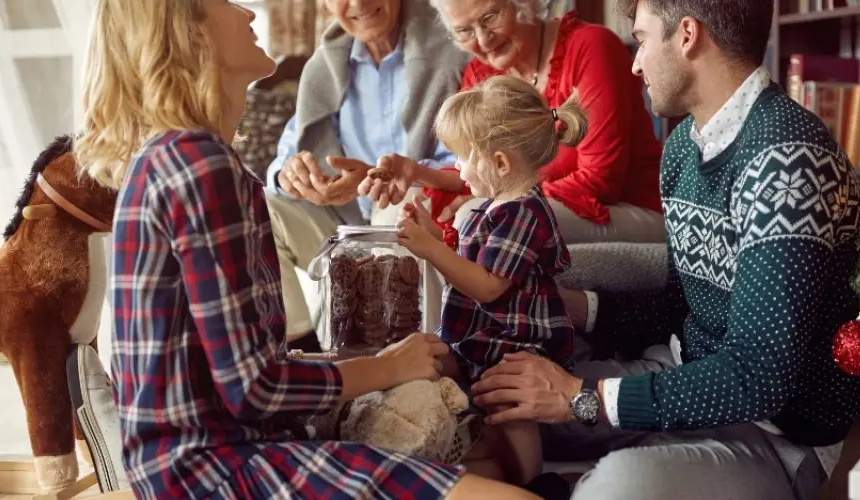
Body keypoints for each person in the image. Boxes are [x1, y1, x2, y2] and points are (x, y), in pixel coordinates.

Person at [75, 1, 536, 498]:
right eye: (226, 4)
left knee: (487, 468)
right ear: (191, 36)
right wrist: (384, 368)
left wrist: (376, 363)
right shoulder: (201, 165)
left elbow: (239, 373)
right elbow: (254, 388)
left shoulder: (175, 155)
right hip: (211, 469)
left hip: (191, 455)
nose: (250, 14)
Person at [467, 0, 860, 499]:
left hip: (776, 435)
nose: (635, 63)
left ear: (686, 35)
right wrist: (575, 307)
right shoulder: (683, 147)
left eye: (641, 39)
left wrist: (581, 398)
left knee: (615, 487)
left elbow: (758, 378)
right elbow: (684, 307)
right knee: (503, 411)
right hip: (682, 372)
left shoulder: (787, 159)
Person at [395, 75, 585, 488]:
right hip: (482, 333)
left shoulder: (523, 211)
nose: (457, 169)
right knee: (441, 370)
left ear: (500, 163)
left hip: (512, 341)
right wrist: (432, 234)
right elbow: (470, 259)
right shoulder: (494, 206)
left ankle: (535, 485)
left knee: (509, 408)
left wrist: (432, 251)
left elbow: (487, 286)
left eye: (462, 157)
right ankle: (477, 457)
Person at [361, 0, 665, 244]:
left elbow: (601, 182)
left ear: (523, 4)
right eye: (464, 31)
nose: (482, 40)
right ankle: (423, 321)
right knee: (405, 212)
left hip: (624, 208)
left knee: (476, 217)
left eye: (490, 17)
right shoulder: (481, 75)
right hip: (541, 202)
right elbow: (480, 169)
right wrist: (417, 172)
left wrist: (491, 198)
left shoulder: (590, 46)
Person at [262, 0, 470, 342]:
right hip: (341, 226)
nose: (358, 3)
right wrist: (293, 175)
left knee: (393, 205)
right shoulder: (328, 62)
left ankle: (411, 359)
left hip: (417, 216)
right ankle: (305, 353)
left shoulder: (452, 48)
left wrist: (383, 179)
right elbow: (287, 157)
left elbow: (467, 161)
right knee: (262, 209)